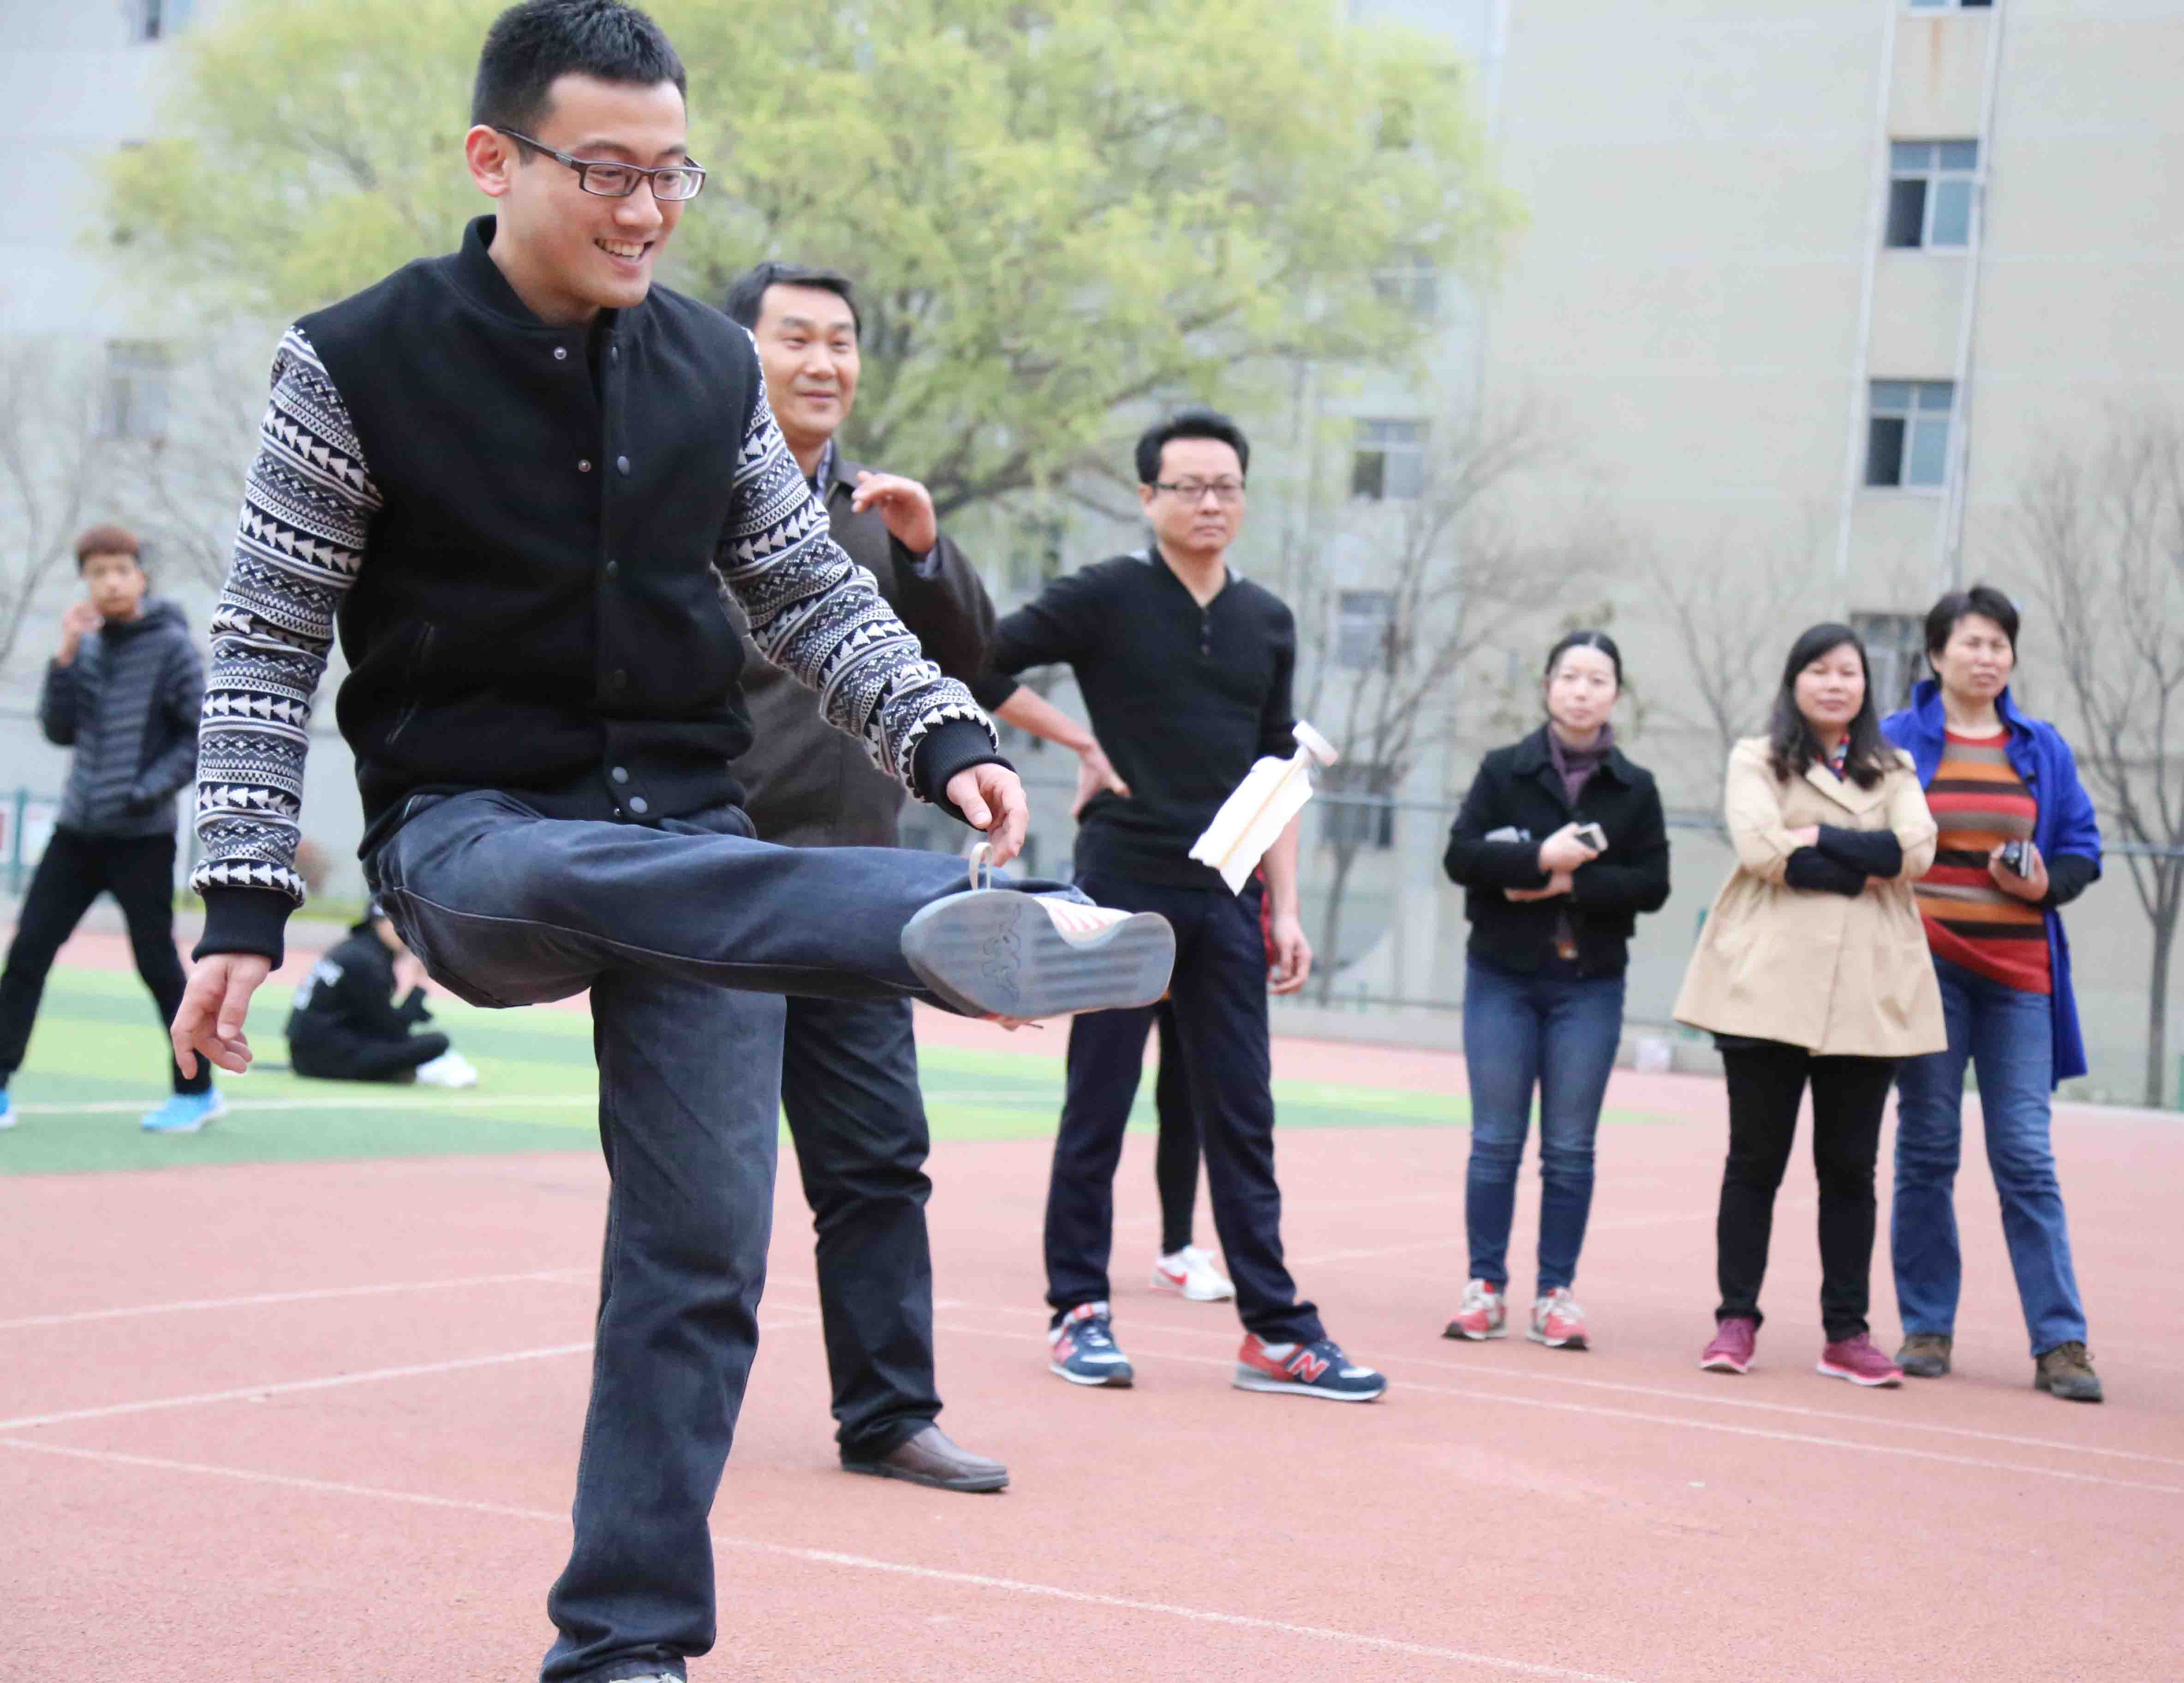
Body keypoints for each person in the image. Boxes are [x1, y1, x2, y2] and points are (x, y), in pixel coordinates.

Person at [166, 6, 1171, 1679]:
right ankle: (903, 915)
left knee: (703, 1254)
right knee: (594, 869)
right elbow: (267, 642)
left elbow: (808, 588)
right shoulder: (351, 363)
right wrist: (243, 902)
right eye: (608, 173)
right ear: (495, 160)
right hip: (476, 838)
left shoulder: (712, 369)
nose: (646, 212)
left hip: (700, 837)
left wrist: (945, 737)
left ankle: (626, 1644)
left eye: (674, 176)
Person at [975, 408, 1385, 1402]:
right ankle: (1078, 1310)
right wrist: (1078, 742)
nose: (1210, 502)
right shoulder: (1105, 596)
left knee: (1242, 1116)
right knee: (1099, 1103)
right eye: (1189, 486)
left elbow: (1277, 770)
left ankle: (1276, 1333)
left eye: (1226, 486)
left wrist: (1284, 909)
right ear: (1147, 496)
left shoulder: (1266, 620)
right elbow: (981, 664)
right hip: (1123, 886)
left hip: (1229, 897)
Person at [716, 258, 1008, 1491]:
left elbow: (974, 668)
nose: (824, 361)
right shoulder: (689, 496)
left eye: (840, 340)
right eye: (795, 337)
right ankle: (670, 1407)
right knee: (704, 1180)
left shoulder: (878, 509)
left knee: (878, 1161)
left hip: (856, 890)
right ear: (738, 355)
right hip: (712, 886)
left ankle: (890, 1414)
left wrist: (927, 554)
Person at [1673, 623, 1944, 1388]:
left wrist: (1819, 835)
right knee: (1754, 1161)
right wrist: (1867, 862)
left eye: (1847, 672)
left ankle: (1845, 1333)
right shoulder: (1755, 757)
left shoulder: (1892, 766)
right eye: (1818, 670)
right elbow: (1761, 849)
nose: (1833, 683)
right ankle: (1735, 1318)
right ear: (1794, 680)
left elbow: (1917, 851)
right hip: (1764, 986)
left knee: (1850, 1169)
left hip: (1866, 991)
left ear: (1865, 685)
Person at [1881, 585, 2104, 1403]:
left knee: (2024, 1157)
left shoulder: (2040, 748)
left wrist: (2046, 881)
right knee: (1926, 1149)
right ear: (1936, 653)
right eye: (1971, 642)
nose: (1986, 657)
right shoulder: (1895, 740)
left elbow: (2080, 848)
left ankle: (2060, 1341)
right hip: (1926, 973)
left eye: (1998, 644)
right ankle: (1925, 1327)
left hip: (2019, 979)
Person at [1439, 631, 1669, 1351]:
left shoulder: (1634, 788)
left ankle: (1554, 1295)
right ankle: (1484, 1289)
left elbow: (1653, 884)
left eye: (1597, 680)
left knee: (1569, 1148)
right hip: (1501, 978)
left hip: (1588, 986)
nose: (1581, 691)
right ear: (1546, 687)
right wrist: (1539, 857)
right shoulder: (1503, 770)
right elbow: (1460, 856)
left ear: (1615, 695)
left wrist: (1570, 883)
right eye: (1569, 677)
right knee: (1494, 1141)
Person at [0, 525, 212, 1136]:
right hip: (76, 834)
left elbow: (197, 738)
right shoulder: (86, 646)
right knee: (27, 954)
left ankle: (196, 1092)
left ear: (141, 576)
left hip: (142, 838)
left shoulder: (172, 647)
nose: (111, 581)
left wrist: (142, 792)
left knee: (156, 964)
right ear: (85, 582)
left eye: (121, 569)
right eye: (98, 572)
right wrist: (65, 656)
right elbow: (58, 729)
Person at [285, 901, 478, 1087]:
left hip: (307, 1055)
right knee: (439, 1042)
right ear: (378, 922)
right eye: (398, 923)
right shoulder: (366, 962)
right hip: (326, 1060)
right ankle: (416, 1071)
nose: (405, 932)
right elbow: (392, 1031)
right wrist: (419, 985)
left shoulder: (352, 950)